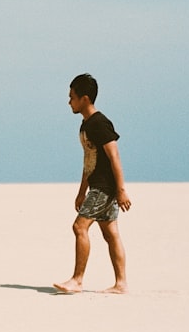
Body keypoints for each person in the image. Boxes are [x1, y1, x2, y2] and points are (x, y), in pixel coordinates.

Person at [54, 73, 132, 295]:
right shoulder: (86, 125)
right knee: (111, 234)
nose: (69, 101)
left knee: (79, 227)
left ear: (85, 98)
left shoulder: (99, 123)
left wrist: (121, 190)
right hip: (98, 186)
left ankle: (77, 280)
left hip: (105, 187)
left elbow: (114, 156)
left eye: (72, 97)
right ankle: (121, 284)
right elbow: (89, 160)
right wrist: (81, 192)